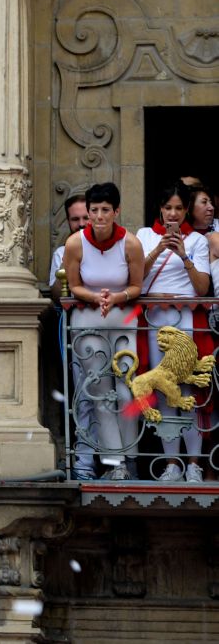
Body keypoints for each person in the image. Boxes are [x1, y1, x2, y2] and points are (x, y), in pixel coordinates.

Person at [63, 182, 144, 480]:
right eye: (94, 210)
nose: (99, 217)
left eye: (105, 210)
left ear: (116, 211)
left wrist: (117, 298)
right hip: (89, 321)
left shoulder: (131, 244)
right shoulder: (76, 244)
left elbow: (137, 285)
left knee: (126, 391)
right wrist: (95, 298)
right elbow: (74, 285)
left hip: (123, 320)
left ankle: (132, 457)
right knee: (100, 393)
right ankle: (115, 464)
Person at [136, 180, 211, 482]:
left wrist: (183, 255)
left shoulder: (197, 241)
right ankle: (171, 463)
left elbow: (203, 288)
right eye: (168, 208)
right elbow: (133, 277)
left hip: (185, 322)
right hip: (156, 322)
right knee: (165, 392)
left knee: (188, 391)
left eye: (179, 208)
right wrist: (157, 250)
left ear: (186, 210)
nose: (173, 214)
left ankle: (193, 463)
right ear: (160, 209)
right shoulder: (143, 236)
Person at [48, 194, 89, 290]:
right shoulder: (61, 252)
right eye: (75, 219)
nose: (81, 224)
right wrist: (67, 261)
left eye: (86, 218)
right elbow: (57, 297)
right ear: (68, 221)